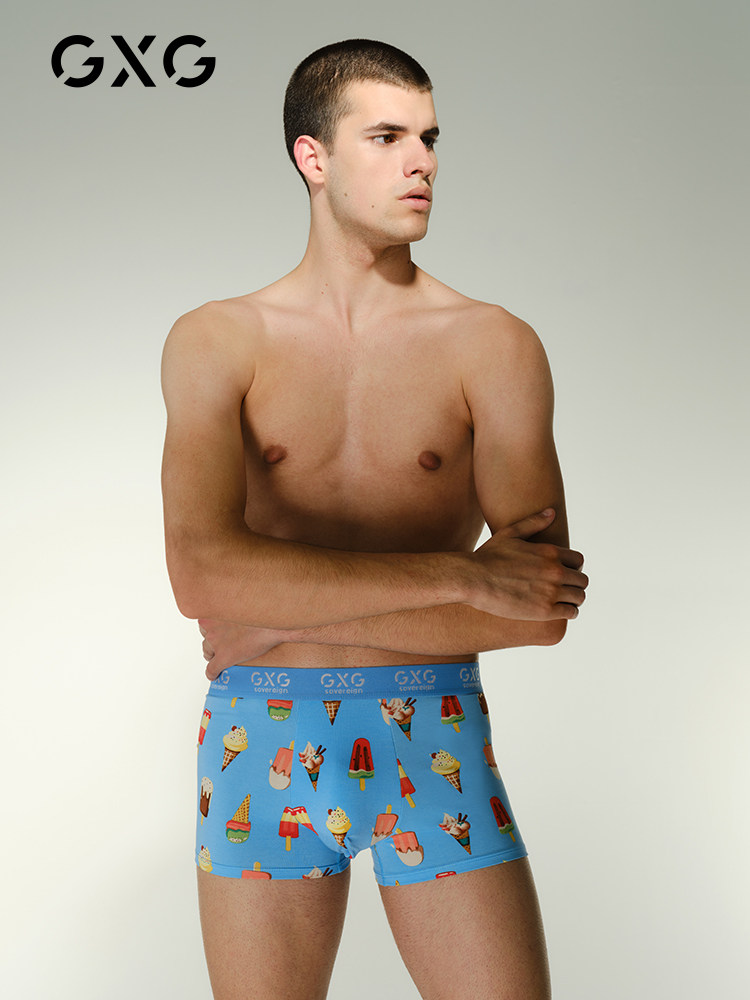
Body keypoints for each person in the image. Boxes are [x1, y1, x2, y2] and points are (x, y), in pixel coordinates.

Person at [161, 38, 587, 1000]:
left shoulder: (493, 345)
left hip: (432, 738)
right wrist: (463, 577)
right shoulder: (218, 339)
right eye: (388, 137)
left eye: (430, 139)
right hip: (257, 743)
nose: (422, 162)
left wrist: (269, 616)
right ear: (312, 157)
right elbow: (200, 577)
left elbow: (540, 609)